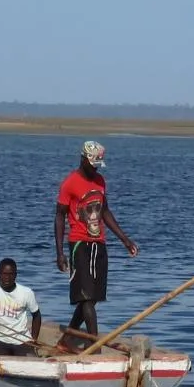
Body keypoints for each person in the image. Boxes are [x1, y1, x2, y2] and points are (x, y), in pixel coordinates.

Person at [53, 140, 138, 346]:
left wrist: (124, 239)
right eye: (93, 163)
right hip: (79, 244)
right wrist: (60, 253)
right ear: (83, 159)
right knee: (86, 298)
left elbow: (105, 211)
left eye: (98, 165)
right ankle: (94, 345)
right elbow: (59, 216)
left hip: (99, 244)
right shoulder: (70, 183)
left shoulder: (100, 181)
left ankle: (66, 340)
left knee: (91, 298)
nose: (95, 168)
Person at [0, 258, 41, 356]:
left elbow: (37, 315)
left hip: (21, 340)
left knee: (30, 360)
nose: (7, 278)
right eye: (4, 274)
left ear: (16, 275)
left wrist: (33, 340)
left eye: (11, 274)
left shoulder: (26, 292)